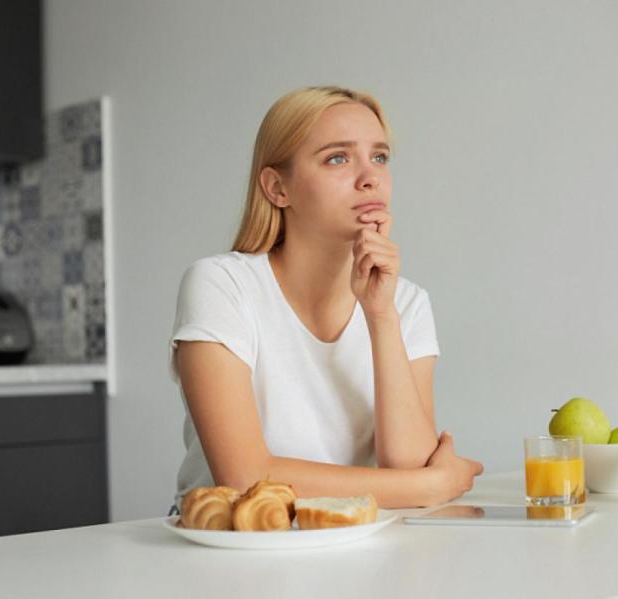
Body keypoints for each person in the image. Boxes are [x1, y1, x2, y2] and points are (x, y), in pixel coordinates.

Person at [169, 86, 483, 510]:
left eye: (379, 157)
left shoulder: (405, 304)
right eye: (338, 158)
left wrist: (380, 316)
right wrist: (430, 486)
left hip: (351, 536)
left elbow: (407, 465)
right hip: (232, 540)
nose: (370, 177)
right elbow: (244, 477)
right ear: (277, 188)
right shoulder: (221, 285)